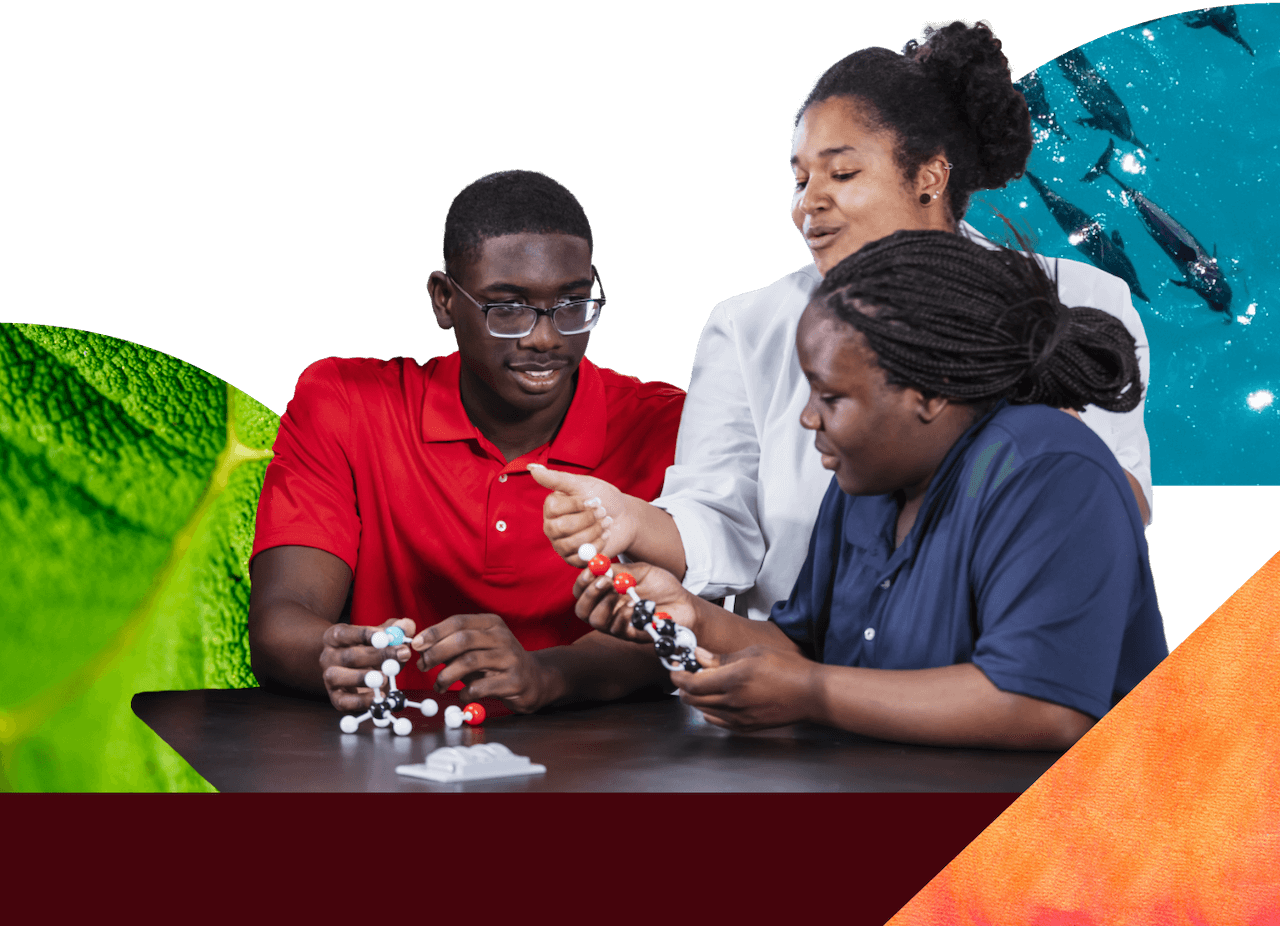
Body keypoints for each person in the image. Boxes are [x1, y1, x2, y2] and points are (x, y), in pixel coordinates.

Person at [532, 20, 1153, 627]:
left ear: (929, 176)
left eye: (843, 173)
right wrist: (629, 520)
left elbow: (1114, 508)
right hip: (792, 682)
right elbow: (722, 522)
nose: (809, 202)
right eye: (800, 179)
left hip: (1003, 669)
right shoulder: (749, 326)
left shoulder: (1076, 299)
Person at [573, 228, 1168, 749]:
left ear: (930, 393)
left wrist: (812, 695)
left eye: (831, 398)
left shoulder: (1051, 470)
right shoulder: (867, 480)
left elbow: (1047, 709)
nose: (808, 419)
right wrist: (692, 617)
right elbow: (801, 648)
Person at [247, 170, 681, 715]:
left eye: (572, 304)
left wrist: (545, 675)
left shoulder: (664, 425)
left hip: (601, 776)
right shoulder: (344, 404)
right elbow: (280, 620)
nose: (544, 337)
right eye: (508, 308)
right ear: (443, 300)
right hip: (385, 764)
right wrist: (329, 655)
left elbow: (683, 629)